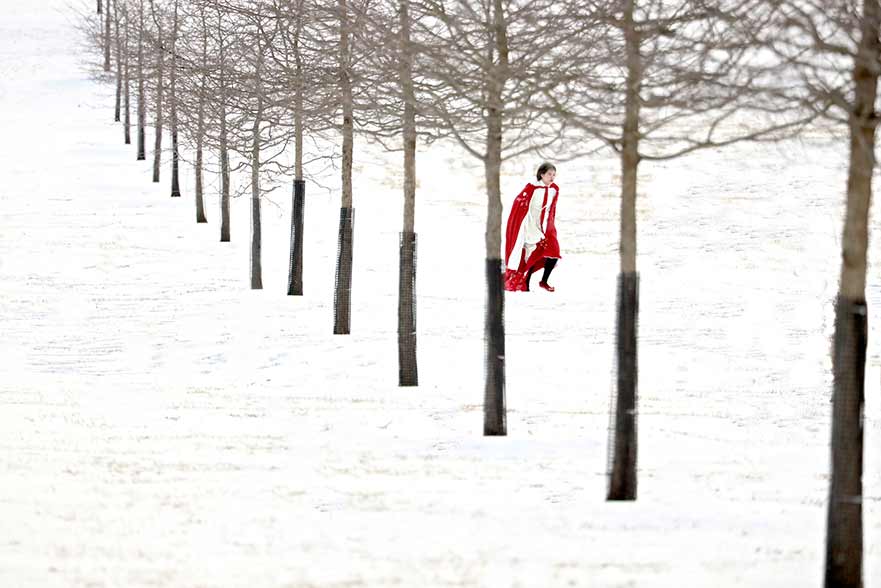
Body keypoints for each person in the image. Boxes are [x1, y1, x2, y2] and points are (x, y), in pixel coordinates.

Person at [504, 162, 561, 292]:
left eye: (554, 175)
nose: (552, 177)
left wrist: (548, 226)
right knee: (532, 254)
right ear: (542, 174)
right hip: (530, 225)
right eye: (549, 174)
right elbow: (520, 205)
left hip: (546, 226)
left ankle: (544, 281)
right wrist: (524, 227)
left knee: (554, 252)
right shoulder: (532, 188)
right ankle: (526, 284)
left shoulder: (554, 189)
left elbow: (551, 209)